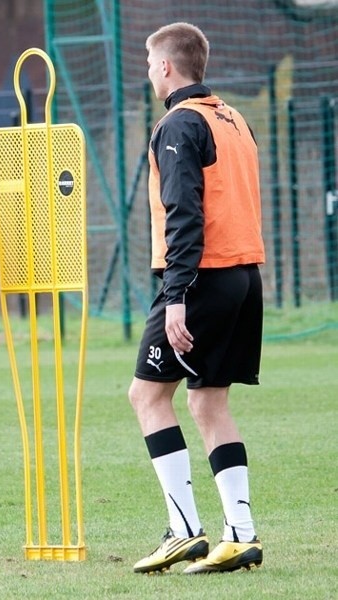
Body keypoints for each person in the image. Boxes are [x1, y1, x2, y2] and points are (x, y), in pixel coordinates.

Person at [129, 23, 266, 574]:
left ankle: (185, 530)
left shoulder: (177, 125)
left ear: (165, 67)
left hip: (199, 279)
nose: (147, 70)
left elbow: (185, 215)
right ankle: (241, 534)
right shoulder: (233, 119)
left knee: (147, 396)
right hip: (243, 275)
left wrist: (177, 294)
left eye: (148, 62)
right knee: (209, 402)